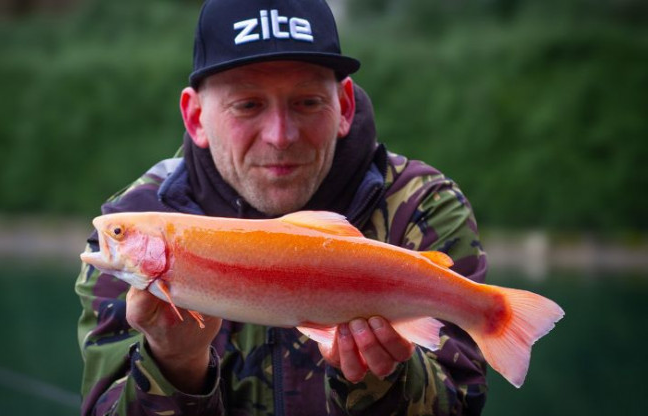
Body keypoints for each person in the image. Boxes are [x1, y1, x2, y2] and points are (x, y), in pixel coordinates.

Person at [75, 0, 488, 414]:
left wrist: (381, 380)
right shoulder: (133, 218)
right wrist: (175, 364)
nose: (280, 135)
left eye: (307, 102)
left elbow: (460, 404)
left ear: (344, 106)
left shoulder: (422, 204)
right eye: (248, 105)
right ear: (196, 116)